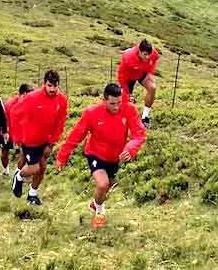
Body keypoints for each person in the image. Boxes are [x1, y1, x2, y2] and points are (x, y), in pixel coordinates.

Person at [55, 83, 146, 228]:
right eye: (112, 103)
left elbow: (139, 134)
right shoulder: (92, 113)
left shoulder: (129, 109)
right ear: (104, 100)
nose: (116, 107)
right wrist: (62, 156)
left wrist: (130, 149)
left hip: (115, 156)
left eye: (119, 103)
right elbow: (76, 135)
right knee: (102, 184)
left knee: (107, 186)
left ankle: (95, 203)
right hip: (95, 153)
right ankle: (100, 213)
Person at [11, 71, 68, 205]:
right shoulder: (32, 97)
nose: (52, 89)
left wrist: (51, 143)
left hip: (46, 140)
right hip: (30, 140)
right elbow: (14, 113)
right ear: (44, 84)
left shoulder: (62, 100)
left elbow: (60, 123)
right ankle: (18, 177)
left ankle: (32, 195)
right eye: (49, 85)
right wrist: (18, 137)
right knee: (35, 168)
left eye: (55, 86)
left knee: (42, 168)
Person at [117, 39, 160, 128]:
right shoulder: (128, 57)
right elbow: (121, 75)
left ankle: (145, 117)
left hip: (142, 73)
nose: (147, 57)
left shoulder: (154, 53)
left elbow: (154, 61)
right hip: (128, 77)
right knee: (125, 100)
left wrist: (150, 73)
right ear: (139, 51)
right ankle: (123, 120)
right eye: (145, 54)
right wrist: (126, 90)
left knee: (152, 88)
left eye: (149, 54)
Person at [2, 83, 33, 176]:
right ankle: (5, 170)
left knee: (24, 152)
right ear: (23, 94)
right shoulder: (9, 104)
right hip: (8, 131)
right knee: (4, 152)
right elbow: (3, 119)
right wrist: (5, 131)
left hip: (22, 132)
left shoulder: (31, 104)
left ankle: (18, 173)